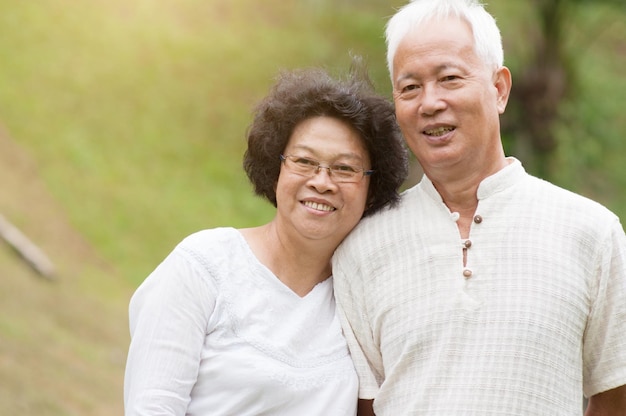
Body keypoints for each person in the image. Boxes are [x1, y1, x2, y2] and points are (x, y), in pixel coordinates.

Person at [332, 1, 626, 415]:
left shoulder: (591, 232)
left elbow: (616, 395)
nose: (429, 102)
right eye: (409, 87)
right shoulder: (361, 247)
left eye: (450, 78)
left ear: (499, 89)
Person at [123, 62, 409, 415]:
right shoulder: (204, 266)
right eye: (304, 161)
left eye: (345, 168)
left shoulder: (362, 302)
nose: (322, 181)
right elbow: (153, 406)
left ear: (371, 186)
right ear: (277, 169)